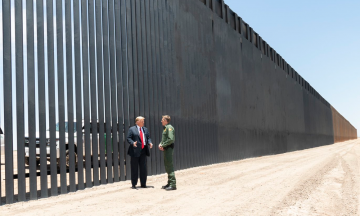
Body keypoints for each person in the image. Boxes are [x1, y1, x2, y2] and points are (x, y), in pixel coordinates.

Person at [127, 116, 153, 189]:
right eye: (142, 121)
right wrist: (132, 143)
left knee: (143, 168)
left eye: (143, 121)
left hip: (143, 150)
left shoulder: (145, 129)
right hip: (135, 151)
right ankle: (134, 184)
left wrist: (150, 143)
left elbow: (148, 138)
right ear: (137, 122)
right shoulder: (132, 129)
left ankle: (143, 184)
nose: (143, 122)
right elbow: (128, 138)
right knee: (134, 168)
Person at [158, 115, 176, 191]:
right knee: (167, 165)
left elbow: (171, 139)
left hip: (169, 148)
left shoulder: (169, 128)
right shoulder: (166, 128)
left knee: (169, 165)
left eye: (162, 120)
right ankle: (169, 183)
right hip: (166, 148)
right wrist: (160, 144)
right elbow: (165, 139)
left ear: (166, 120)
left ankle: (173, 184)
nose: (161, 121)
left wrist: (163, 145)